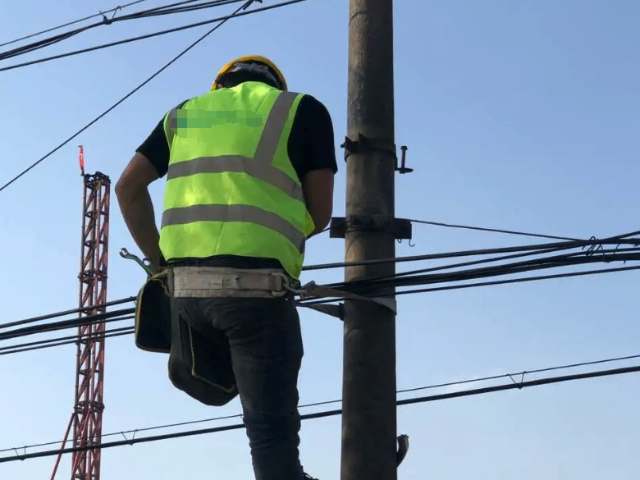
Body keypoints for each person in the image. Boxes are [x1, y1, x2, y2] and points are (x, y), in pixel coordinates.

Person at [114, 55, 337, 480]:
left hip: (186, 294)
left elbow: (127, 187)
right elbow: (321, 212)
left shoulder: (183, 114)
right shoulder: (301, 109)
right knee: (270, 434)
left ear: (220, 85)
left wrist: (159, 265)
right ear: (274, 85)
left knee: (216, 378)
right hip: (257, 294)